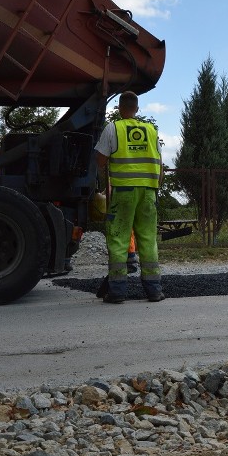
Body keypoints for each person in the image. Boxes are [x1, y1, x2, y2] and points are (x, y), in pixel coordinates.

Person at [94, 91, 164, 303]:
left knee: (118, 239)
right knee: (148, 239)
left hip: (124, 192)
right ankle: (154, 291)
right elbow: (160, 166)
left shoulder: (113, 128)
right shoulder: (151, 130)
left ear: (120, 107)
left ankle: (117, 292)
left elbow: (100, 160)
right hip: (149, 192)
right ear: (137, 108)